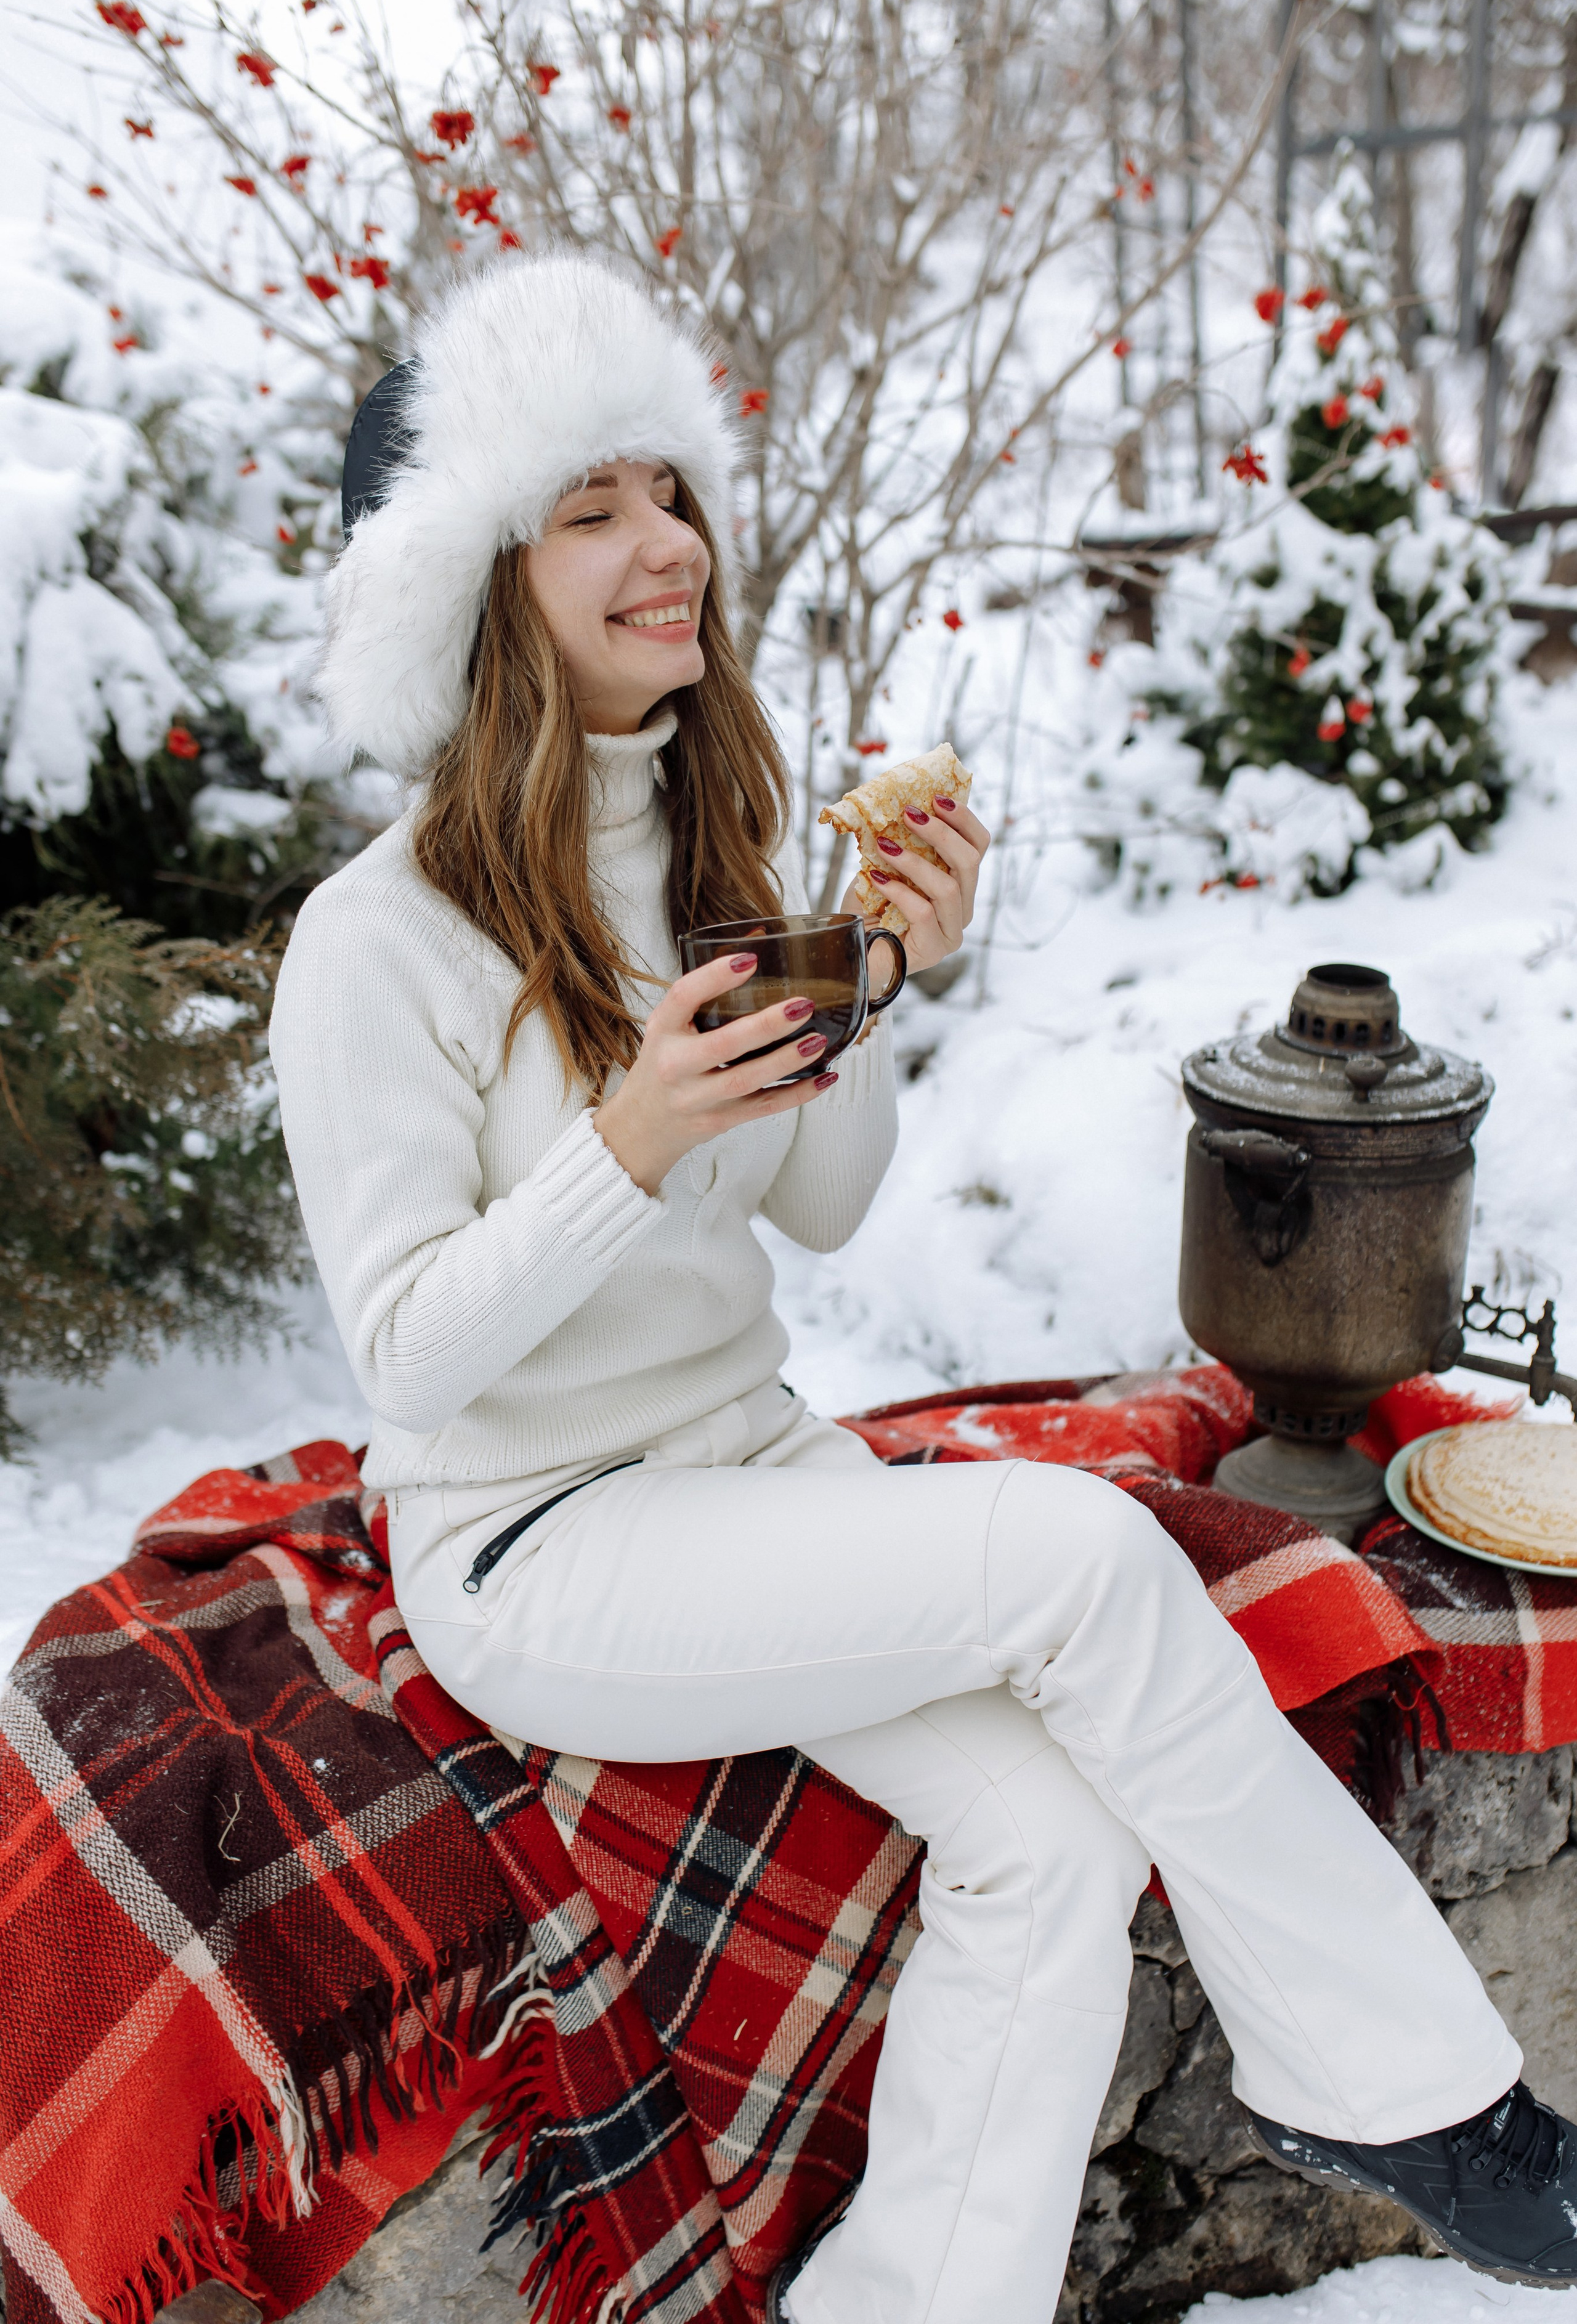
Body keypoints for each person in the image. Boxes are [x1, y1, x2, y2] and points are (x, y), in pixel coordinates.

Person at [270, 251, 1577, 2322]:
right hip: (532, 1540)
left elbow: (821, 1208)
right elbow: (409, 1351)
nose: (664, 546)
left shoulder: (715, 862)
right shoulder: (377, 938)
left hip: (748, 1464)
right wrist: (635, 1142)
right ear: (474, 590)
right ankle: (1396, 2084)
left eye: (671, 492)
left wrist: (872, 982)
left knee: (1046, 1840)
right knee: (1087, 1564)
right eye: (589, 508)